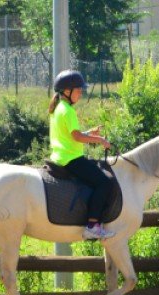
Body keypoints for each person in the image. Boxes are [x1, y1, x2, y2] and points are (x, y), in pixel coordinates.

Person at [49, 69, 115, 240]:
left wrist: (90, 133)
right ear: (67, 91)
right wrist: (100, 140)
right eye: (78, 90)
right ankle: (92, 225)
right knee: (104, 182)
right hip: (71, 159)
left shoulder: (59, 108)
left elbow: (70, 135)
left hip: (60, 157)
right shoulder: (68, 111)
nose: (80, 93)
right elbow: (77, 137)